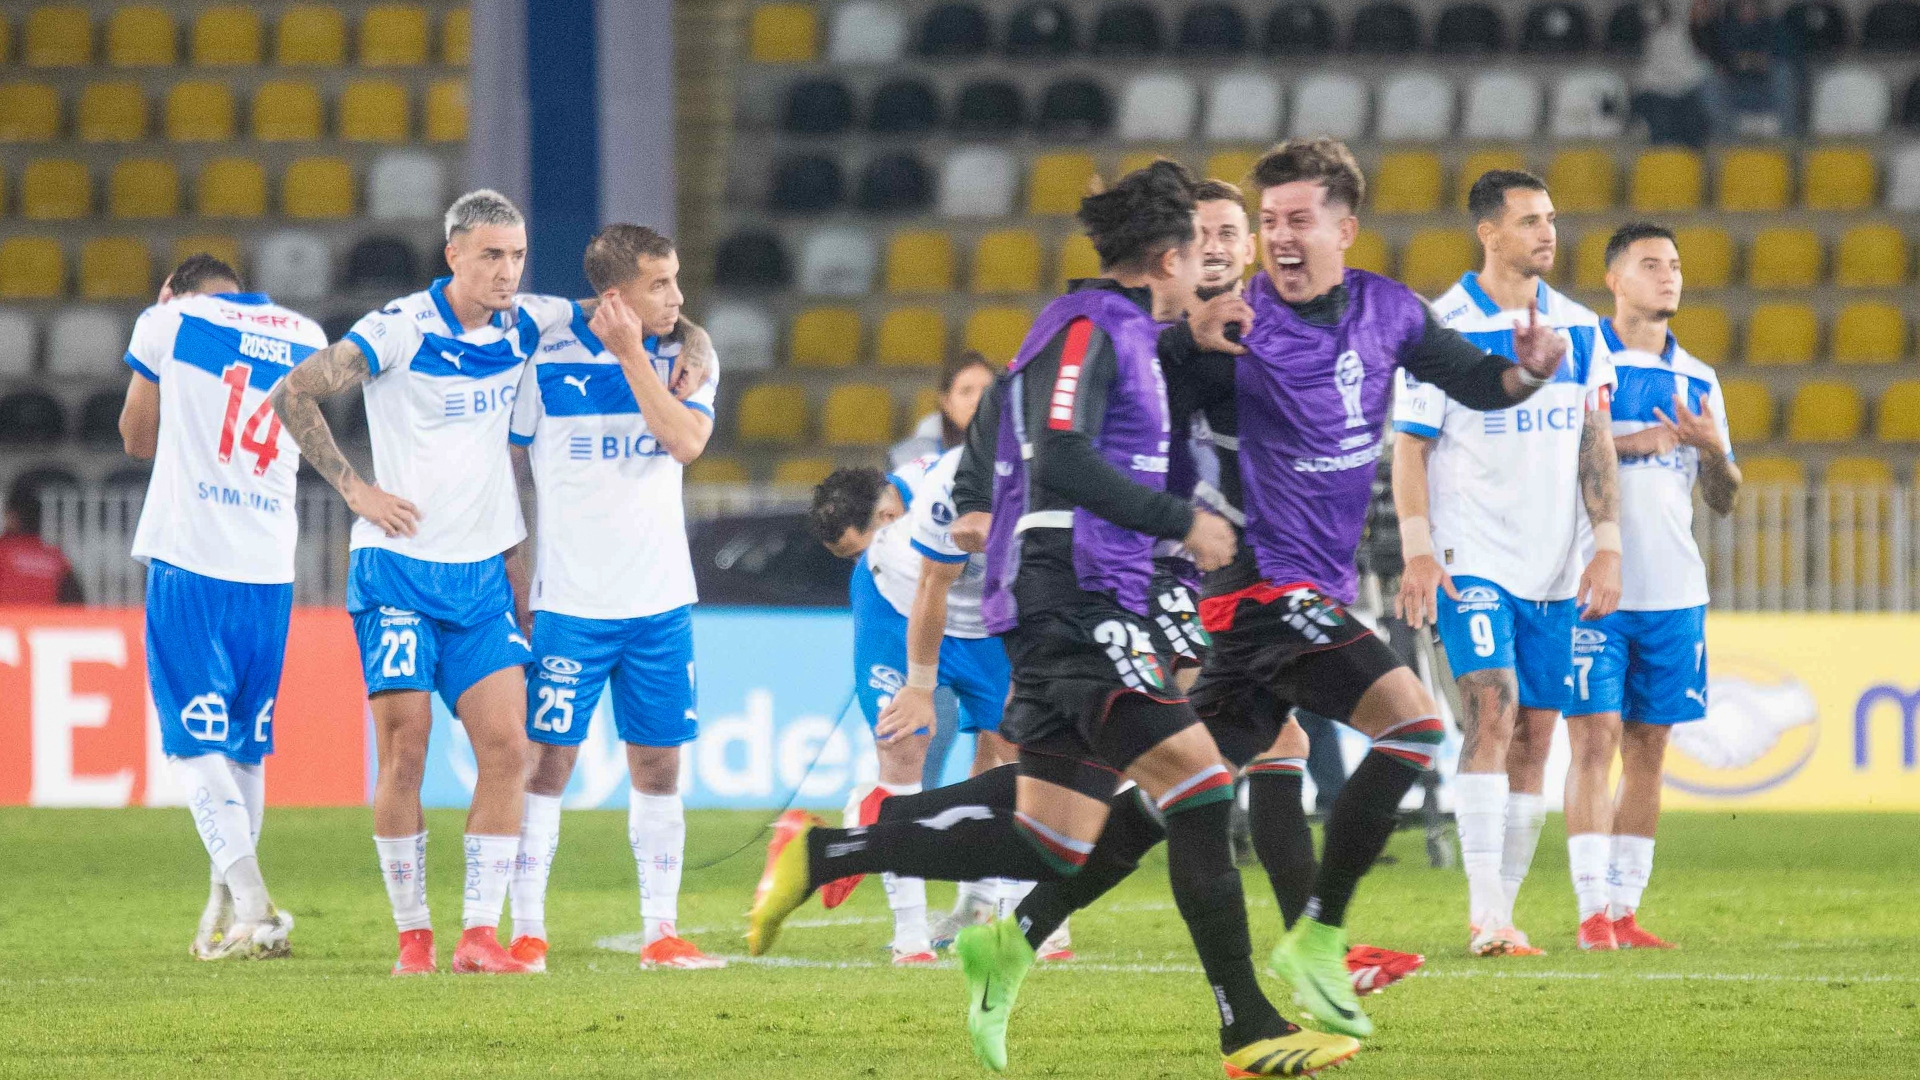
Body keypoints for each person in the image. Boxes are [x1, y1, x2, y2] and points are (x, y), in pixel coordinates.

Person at [755, 160, 1359, 1078]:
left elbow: (1017, 414)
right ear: (1164, 256)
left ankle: (832, 849)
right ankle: (1248, 1028)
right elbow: (1063, 454)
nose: (1210, 260)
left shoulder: (1116, 333)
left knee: (1054, 830)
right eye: (1198, 246)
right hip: (1075, 598)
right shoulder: (1089, 326)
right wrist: (1177, 521)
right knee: (1197, 787)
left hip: (1087, 598)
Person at [270, 191, 557, 976]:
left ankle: (476, 937)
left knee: (509, 749)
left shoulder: (528, 324)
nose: (508, 271)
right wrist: (354, 490)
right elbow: (292, 391)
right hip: (397, 573)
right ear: (454, 255)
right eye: (492, 255)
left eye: (519, 255)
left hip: (481, 578)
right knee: (406, 752)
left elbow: (629, 306)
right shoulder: (399, 328)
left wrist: (693, 342)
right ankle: (414, 938)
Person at [1394, 169, 1622, 958]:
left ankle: (1504, 909)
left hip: (1555, 567)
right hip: (1471, 556)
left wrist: (1609, 545)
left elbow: (1596, 442)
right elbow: (1410, 448)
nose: (1547, 233)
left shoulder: (1582, 330)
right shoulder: (1441, 328)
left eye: (1551, 218)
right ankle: (1486, 908)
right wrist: (1419, 549)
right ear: (1489, 233)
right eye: (1530, 221)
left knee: (1535, 734)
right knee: (1490, 712)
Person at [503, 225, 724, 972]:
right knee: (547, 765)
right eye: (660, 283)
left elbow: (684, 444)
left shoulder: (687, 357)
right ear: (615, 295)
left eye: (677, 280)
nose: (678, 297)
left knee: (659, 767)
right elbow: (507, 460)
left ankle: (661, 930)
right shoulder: (544, 351)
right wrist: (513, 561)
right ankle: (526, 930)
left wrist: (648, 350)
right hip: (570, 599)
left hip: (661, 600)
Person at [118, 254, 327, 960]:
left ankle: (254, 904)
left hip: (192, 557)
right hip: (270, 568)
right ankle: (234, 904)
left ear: (171, 288)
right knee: (244, 744)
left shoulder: (170, 321)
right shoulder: (304, 330)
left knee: (190, 743)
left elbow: (136, 438)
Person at [1563, 223, 1739, 951]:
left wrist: (1713, 451)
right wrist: (1637, 441)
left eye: (1674, 264)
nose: (1668, 276)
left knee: (1648, 749)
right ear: (1614, 279)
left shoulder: (1699, 379)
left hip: (1674, 594)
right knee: (1593, 743)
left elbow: (1725, 498)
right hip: (1594, 586)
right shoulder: (1584, 358)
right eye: (1650, 264)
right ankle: (1590, 912)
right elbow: (1559, 459)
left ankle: (1626, 909)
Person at [803, 447, 1043, 965]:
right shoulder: (899, 525)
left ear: (888, 518)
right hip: (895, 617)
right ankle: (910, 936)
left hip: (980, 627)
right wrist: (918, 682)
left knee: (1020, 758)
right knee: (902, 746)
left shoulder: (1020, 476)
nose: (861, 557)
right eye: (849, 557)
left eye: (858, 549)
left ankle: (1022, 917)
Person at [1697, 0, 1801, 137]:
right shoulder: (1723, 28)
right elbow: (1718, 58)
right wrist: (1738, 63)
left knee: (1784, 73)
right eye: (1744, 5)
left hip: (1766, 86)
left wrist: (1756, 62)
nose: (1748, 8)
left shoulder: (1774, 26)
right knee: (1710, 80)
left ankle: (1788, 138)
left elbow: (1784, 56)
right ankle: (1723, 141)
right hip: (1734, 86)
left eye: (1752, 5)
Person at [888, 351, 995, 467]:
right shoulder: (908, 458)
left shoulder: (1015, 453)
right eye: (966, 391)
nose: (978, 399)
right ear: (946, 402)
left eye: (987, 390)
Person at [1630, 1, 1715, 147]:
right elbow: (1650, 76)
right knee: (1661, 127)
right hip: (1657, 94)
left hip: (1684, 92)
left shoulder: (1682, 32)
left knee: (1694, 124)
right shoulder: (1653, 38)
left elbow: (1692, 69)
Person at [0, 480, 83, 605]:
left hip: (7, 622)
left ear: (13, 517)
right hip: (45, 622)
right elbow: (76, 603)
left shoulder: (3, 551)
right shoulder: (57, 558)